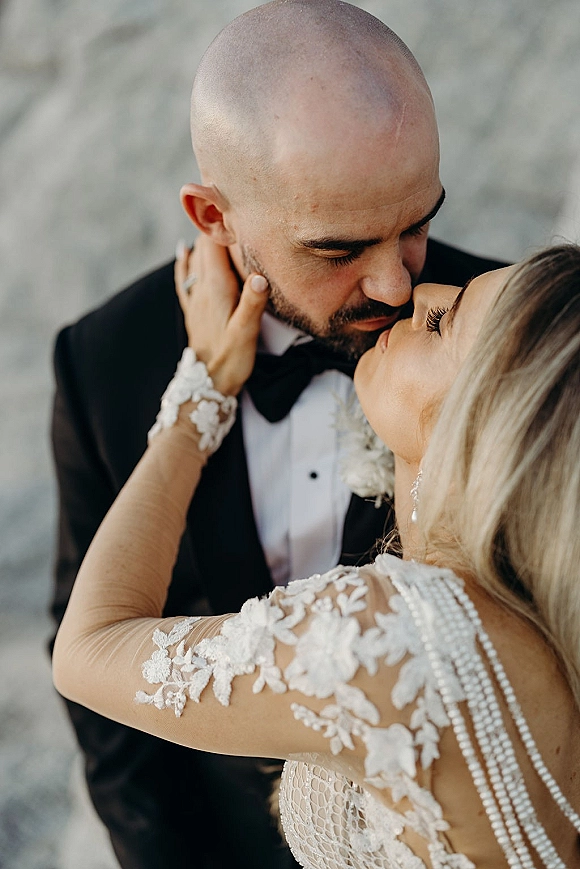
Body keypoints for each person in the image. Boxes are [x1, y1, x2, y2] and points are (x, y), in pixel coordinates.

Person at [50, 2, 507, 866]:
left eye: (417, 224)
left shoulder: (503, 334)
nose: (398, 285)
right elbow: (95, 688)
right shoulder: (105, 361)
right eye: (338, 249)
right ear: (212, 215)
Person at [53, 237, 580, 869]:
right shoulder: (546, 611)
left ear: (491, 428)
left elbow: (89, 646)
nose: (420, 293)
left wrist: (200, 395)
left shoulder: (394, 634)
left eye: (444, 324)